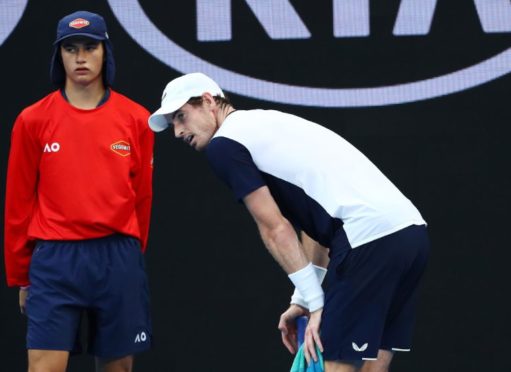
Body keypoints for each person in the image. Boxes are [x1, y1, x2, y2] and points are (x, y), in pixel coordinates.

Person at [148, 72, 429, 372]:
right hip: (411, 234)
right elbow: (317, 227)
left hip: (367, 239)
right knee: (372, 368)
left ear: (208, 102)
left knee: (337, 367)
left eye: (181, 116)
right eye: (172, 123)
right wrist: (305, 298)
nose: (177, 131)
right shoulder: (270, 122)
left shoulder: (225, 145)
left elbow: (275, 229)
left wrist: (318, 303)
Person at [4, 10, 154, 372]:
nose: (81, 57)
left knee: (118, 369)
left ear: (106, 52)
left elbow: (142, 199)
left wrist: (131, 258)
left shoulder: (136, 119)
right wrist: (22, 274)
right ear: (60, 55)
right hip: (55, 261)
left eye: (90, 47)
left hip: (116, 259)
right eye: (71, 48)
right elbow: (18, 203)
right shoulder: (32, 120)